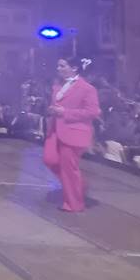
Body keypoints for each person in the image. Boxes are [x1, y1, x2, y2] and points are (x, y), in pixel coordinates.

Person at [43, 57, 101, 212]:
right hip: (55, 129)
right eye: (58, 65)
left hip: (74, 132)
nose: (58, 68)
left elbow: (93, 112)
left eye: (62, 66)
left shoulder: (87, 88)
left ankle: (74, 204)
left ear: (74, 68)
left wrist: (65, 112)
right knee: (49, 159)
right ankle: (79, 184)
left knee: (69, 168)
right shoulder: (58, 86)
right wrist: (53, 110)